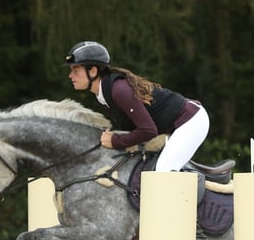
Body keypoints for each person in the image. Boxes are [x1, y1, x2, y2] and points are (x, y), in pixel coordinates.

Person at [64, 41, 209, 172]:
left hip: (191, 121)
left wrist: (116, 141)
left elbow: (148, 130)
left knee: (164, 171)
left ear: (93, 71)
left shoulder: (119, 90)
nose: (70, 75)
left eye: (76, 70)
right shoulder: (103, 93)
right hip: (175, 123)